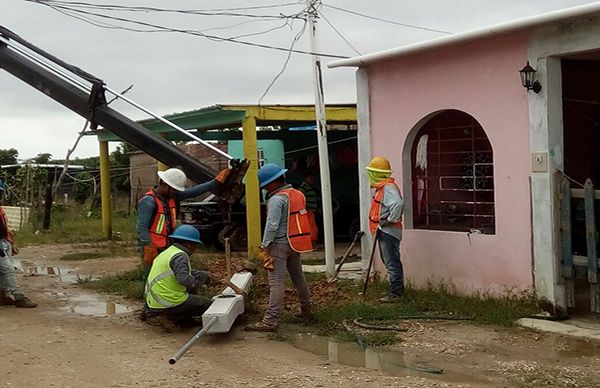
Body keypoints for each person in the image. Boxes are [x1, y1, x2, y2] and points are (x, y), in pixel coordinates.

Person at [246, 164, 313, 332]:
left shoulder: (277, 199)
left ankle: (270, 320)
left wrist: (264, 245)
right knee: (299, 278)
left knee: (276, 283)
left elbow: (272, 225)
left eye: (267, 185)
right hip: (295, 244)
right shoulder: (298, 194)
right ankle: (306, 312)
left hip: (279, 245)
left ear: (274, 182)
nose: (266, 188)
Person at [136, 167, 230, 280]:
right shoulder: (148, 201)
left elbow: (194, 191)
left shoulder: (171, 197)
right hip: (152, 245)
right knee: (151, 274)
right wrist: (148, 246)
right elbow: (142, 227)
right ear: (163, 183)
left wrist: (214, 183)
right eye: (173, 189)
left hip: (166, 243)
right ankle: (148, 294)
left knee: (166, 272)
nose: (174, 192)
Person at [143, 224, 212, 331]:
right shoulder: (181, 256)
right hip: (167, 301)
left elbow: (181, 272)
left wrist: (203, 275)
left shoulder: (168, 252)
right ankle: (171, 318)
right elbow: (184, 279)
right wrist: (200, 284)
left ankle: (161, 315)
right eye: (195, 245)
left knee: (192, 293)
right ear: (188, 244)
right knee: (207, 304)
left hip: (154, 300)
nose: (196, 248)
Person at [366, 156, 405, 302]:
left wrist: (389, 220)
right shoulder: (383, 187)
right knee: (389, 261)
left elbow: (398, 205)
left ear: (376, 173)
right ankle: (395, 292)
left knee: (392, 262)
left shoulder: (388, 188)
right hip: (383, 230)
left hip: (388, 231)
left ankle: (396, 294)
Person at [0, 179, 37, 308]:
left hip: (4, 242)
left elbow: (3, 229)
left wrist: (10, 242)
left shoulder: (0, 209)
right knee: (8, 269)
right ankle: (19, 297)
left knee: (4, 271)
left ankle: (4, 296)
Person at [298, 173, 319, 243]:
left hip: (311, 211)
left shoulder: (310, 188)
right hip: (307, 211)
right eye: (310, 178)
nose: (312, 180)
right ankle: (310, 242)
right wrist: (306, 208)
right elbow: (300, 199)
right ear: (305, 179)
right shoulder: (303, 188)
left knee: (312, 227)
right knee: (310, 227)